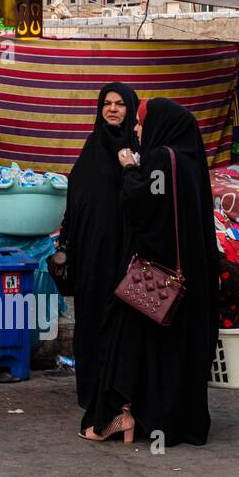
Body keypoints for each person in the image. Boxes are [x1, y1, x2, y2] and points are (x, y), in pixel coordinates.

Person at [81, 98, 220, 446]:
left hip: (154, 278)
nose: (138, 130)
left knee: (123, 343)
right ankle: (165, 422)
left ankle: (120, 417)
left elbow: (141, 209)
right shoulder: (190, 160)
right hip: (186, 282)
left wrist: (129, 168)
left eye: (142, 123)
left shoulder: (161, 158)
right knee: (166, 353)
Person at [53, 82, 139, 410]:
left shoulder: (137, 150)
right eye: (107, 103)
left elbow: (143, 200)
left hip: (124, 255)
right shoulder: (91, 146)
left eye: (120, 104)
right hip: (90, 255)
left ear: (130, 109)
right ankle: (90, 392)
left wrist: (129, 167)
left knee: (120, 323)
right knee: (89, 321)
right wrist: (65, 243)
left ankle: (118, 395)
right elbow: (76, 201)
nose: (113, 109)